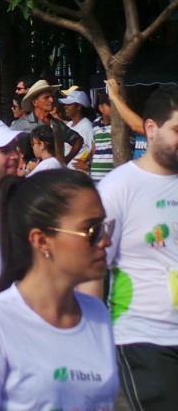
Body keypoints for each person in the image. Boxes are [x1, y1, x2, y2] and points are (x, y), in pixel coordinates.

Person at [0, 170, 117, 409]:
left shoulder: (97, 314)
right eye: (92, 230)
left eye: (105, 226)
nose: (106, 240)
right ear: (41, 241)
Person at [84, 86, 178, 410]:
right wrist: (92, 343)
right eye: (177, 129)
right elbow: (93, 269)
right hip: (144, 337)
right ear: (150, 129)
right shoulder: (118, 188)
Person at [10, 80, 84, 160]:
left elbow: (78, 140)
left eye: (52, 97)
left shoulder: (57, 124)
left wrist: (65, 160)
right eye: (46, 97)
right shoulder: (19, 125)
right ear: (35, 102)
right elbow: (8, 147)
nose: (52, 100)